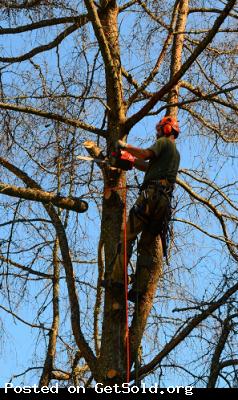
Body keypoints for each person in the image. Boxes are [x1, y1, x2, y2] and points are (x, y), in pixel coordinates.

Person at [108, 116, 180, 302]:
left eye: (159, 130)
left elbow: (146, 154)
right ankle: (138, 290)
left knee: (126, 234)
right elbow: (147, 166)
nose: (157, 134)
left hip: (151, 196)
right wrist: (130, 161)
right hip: (162, 205)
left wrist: (124, 146)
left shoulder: (164, 142)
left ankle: (117, 280)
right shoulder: (174, 154)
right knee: (146, 247)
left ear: (166, 130)